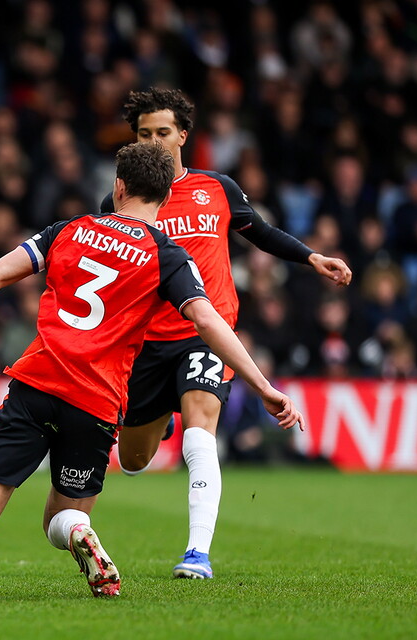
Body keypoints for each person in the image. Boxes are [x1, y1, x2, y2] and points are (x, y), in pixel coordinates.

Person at [0, 142, 304, 598]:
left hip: (37, 383)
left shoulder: (69, 229)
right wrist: (262, 386)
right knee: (64, 518)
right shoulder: (167, 255)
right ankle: (80, 535)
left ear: (118, 186)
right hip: (97, 403)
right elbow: (207, 320)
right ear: (166, 198)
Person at [99, 88, 351, 579]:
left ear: (183, 135)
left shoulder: (217, 188)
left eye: (163, 132)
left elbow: (258, 230)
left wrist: (310, 257)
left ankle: (197, 554)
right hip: (147, 342)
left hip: (207, 334)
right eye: (145, 134)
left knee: (200, 435)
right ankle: (159, 421)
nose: (155, 141)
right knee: (132, 461)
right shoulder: (120, 197)